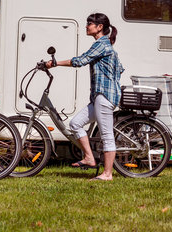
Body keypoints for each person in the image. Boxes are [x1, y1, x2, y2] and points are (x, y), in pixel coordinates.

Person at [46, 13, 124, 181]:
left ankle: (107, 174)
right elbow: (120, 69)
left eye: (90, 23)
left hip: (104, 95)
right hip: (99, 97)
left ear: (99, 27)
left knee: (106, 135)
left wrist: (55, 63)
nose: (87, 26)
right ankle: (89, 158)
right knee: (75, 123)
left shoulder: (102, 44)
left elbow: (81, 60)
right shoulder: (106, 45)